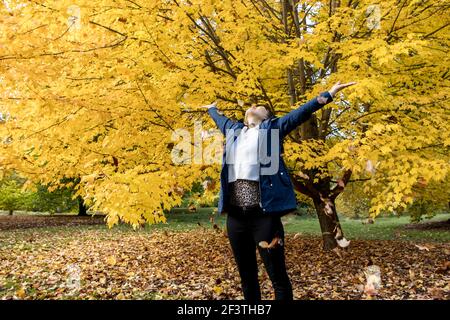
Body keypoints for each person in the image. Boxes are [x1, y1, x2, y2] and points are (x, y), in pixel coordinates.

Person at [201, 81, 356, 301]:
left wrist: (328, 94)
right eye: (252, 106)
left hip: (263, 216)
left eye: (260, 108)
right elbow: (219, 119)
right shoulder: (234, 131)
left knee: (278, 277)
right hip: (236, 217)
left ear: (266, 117)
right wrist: (211, 109)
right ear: (245, 116)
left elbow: (299, 114)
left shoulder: (271, 130)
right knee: (247, 276)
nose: (254, 107)